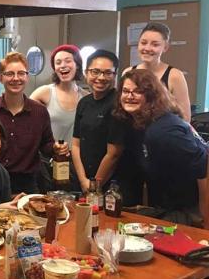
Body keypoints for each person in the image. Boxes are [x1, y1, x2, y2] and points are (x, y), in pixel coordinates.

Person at [113, 69, 208, 227]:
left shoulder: (164, 131)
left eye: (138, 92)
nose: (129, 96)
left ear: (152, 97)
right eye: (126, 91)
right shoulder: (143, 125)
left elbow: (205, 166)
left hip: (187, 213)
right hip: (166, 207)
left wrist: (205, 223)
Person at [0, 51, 67, 194]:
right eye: (10, 74)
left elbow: (46, 145)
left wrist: (56, 148)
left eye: (21, 73)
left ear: (27, 77)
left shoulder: (40, 112)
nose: (16, 78)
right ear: (0, 78)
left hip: (28, 185)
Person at [30, 44, 87, 191]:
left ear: (77, 64)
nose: (63, 66)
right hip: (48, 162)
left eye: (68, 61)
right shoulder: (44, 93)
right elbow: (27, 121)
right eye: (58, 62)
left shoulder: (86, 98)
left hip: (76, 164)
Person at [72, 49, 125, 192]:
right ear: (86, 72)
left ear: (115, 75)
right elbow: (76, 145)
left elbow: (113, 154)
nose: (101, 77)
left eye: (108, 73)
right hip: (83, 180)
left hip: (109, 184)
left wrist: (94, 186)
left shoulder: (118, 104)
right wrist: (83, 180)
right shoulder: (84, 102)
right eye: (95, 71)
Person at [122, 22, 191, 122]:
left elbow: (185, 118)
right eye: (143, 43)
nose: (147, 48)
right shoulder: (128, 72)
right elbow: (121, 109)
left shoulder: (174, 76)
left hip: (162, 134)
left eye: (155, 44)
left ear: (165, 47)